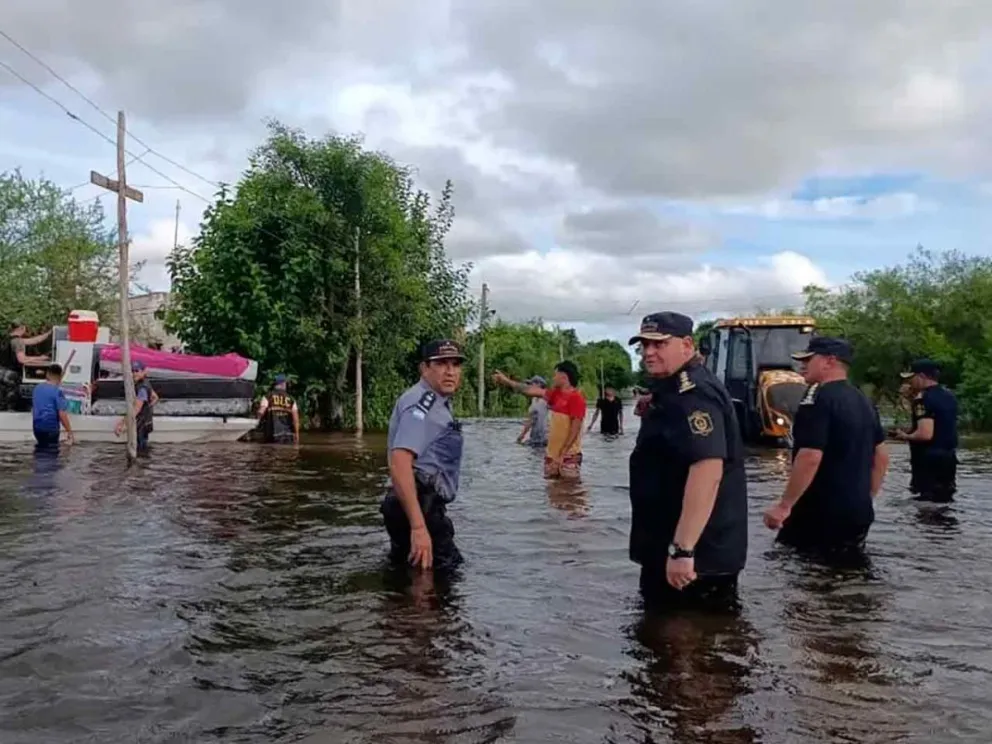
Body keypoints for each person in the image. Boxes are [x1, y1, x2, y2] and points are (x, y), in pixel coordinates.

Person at [626, 312, 748, 610]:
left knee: (688, 633)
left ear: (687, 344)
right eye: (644, 345)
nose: (648, 352)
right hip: (673, 545)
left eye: (659, 344)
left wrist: (683, 549)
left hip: (695, 557)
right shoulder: (672, 388)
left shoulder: (694, 393)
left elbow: (707, 469)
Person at [764, 337, 890, 557]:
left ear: (829, 361)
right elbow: (881, 456)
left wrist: (784, 506)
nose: (802, 365)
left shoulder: (816, 397)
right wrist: (865, 498)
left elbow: (810, 456)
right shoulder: (863, 400)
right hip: (858, 512)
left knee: (797, 567)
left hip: (819, 511)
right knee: (849, 568)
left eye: (808, 359)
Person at [381, 339, 466, 572]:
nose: (450, 371)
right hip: (418, 506)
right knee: (443, 579)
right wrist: (418, 528)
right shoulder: (422, 406)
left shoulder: (435, 401)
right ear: (424, 368)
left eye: (455, 364)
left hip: (415, 506)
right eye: (441, 364)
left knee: (410, 576)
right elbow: (400, 462)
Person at [493, 360, 587, 480]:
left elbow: (575, 429)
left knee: (570, 489)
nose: (553, 378)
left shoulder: (576, 398)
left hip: (569, 455)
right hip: (551, 455)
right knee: (551, 489)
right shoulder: (555, 394)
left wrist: (562, 454)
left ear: (564, 377)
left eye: (555, 375)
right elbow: (528, 390)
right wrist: (507, 381)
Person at [893, 359, 958, 503]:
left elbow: (925, 434)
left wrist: (904, 435)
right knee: (945, 500)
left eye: (912, 377)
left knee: (925, 502)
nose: (910, 382)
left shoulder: (922, 399)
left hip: (927, 460)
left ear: (921, 376)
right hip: (949, 458)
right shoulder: (949, 396)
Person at [0, 320, 52, 411]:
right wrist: (40, 358)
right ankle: (11, 411)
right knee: (15, 392)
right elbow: (22, 359)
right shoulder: (18, 342)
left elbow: (33, 340)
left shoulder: (9, 338)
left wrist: (48, 334)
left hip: (2, 371)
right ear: (22, 328)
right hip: (9, 374)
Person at [114, 361, 158, 454]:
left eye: (137, 371)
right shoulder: (146, 383)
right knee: (143, 448)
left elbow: (136, 409)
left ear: (143, 371)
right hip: (146, 423)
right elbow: (155, 397)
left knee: (139, 450)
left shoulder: (142, 388)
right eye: (132, 371)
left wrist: (122, 423)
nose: (134, 373)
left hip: (140, 425)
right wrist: (147, 409)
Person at [31, 363, 75, 449]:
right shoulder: (57, 392)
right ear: (60, 377)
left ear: (47, 374)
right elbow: (62, 414)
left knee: (41, 449)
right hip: (51, 428)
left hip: (37, 428)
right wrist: (70, 432)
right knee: (51, 452)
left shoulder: (37, 388)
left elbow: (34, 409)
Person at [257, 374, 300, 444]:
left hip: (273, 434)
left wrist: (256, 421)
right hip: (288, 435)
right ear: (283, 384)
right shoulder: (291, 399)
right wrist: (297, 434)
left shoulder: (268, 396)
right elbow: (296, 420)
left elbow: (261, 412)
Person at [516, 375, 548, 447]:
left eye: (531, 384)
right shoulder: (534, 400)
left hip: (544, 439)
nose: (529, 387)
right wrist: (522, 435)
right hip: (536, 438)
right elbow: (531, 420)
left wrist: (521, 436)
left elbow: (530, 421)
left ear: (539, 385)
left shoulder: (546, 400)